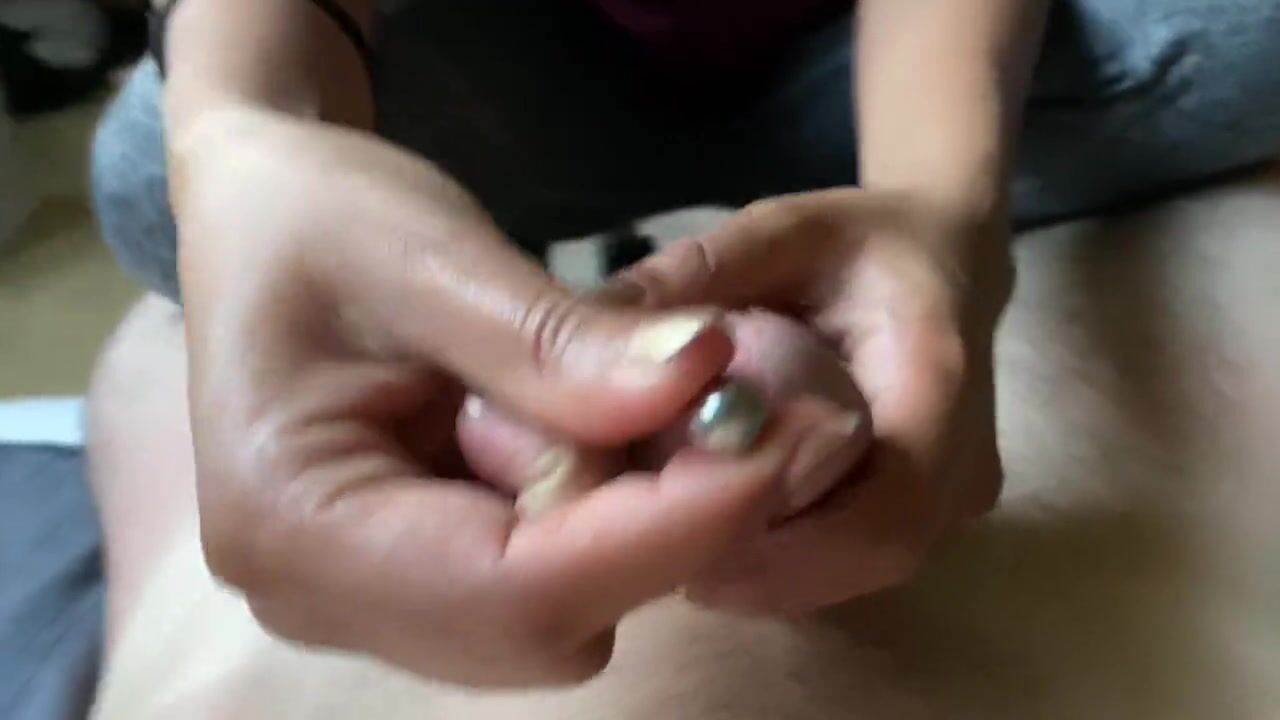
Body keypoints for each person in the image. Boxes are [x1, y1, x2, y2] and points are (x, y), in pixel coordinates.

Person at [89, 0, 1280, 688]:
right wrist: (245, 135)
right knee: (159, 177)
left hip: (860, 52)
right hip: (523, 63)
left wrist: (937, 209)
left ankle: (850, 213)